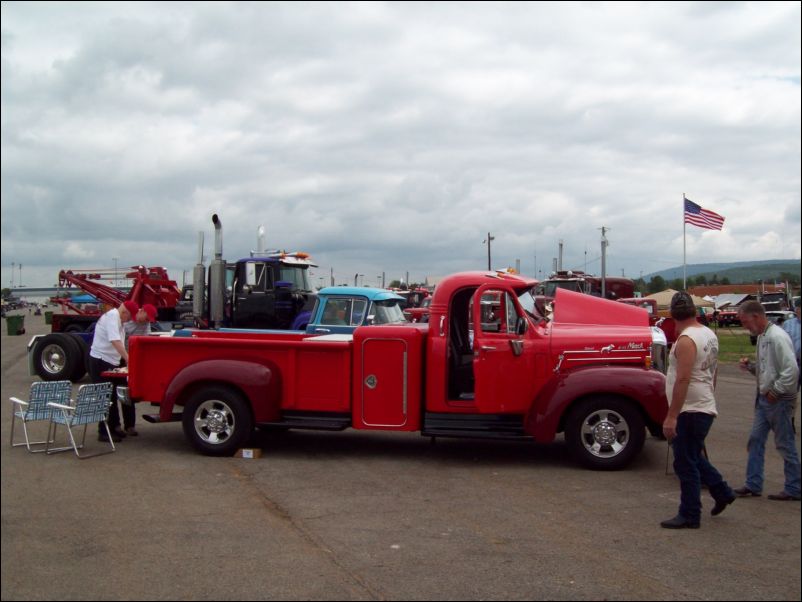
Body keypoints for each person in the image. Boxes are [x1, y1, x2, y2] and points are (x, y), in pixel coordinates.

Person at [661, 292, 736, 529]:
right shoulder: (708, 334)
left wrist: (672, 415)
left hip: (690, 409)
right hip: (701, 404)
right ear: (695, 311)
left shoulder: (686, 341)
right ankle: (722, 491)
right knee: (693, 456)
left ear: (672, 315)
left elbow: (683, 379)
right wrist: (710, 394)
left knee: (684, 463)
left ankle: (690, 513)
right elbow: (713, 371)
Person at [735, 300, 800, 501]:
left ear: (756, 316)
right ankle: (753, 483)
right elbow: (770, 369)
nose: (745, 326)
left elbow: (791, 370)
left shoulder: (777, 337)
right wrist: (752, 367)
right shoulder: (764, 336)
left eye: (745, 321)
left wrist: (776, 390)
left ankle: (794, 487)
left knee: (784, 443)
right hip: (765, 399)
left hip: (778, 400)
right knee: (755, 439)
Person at [88, 300, 137, 442]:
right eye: (128, 318)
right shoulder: (112, 317)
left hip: (112, 361)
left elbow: (120, 342)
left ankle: (115, 426)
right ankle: (103, 431)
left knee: (115, 395)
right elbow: (115, 341)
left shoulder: (119, 320)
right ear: (124, 312)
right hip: (100, 360)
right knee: (105, 397)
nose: (127, 321)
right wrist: (128, 359)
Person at [120, 303, 157, 436]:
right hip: (121, 356)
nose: (146, 322)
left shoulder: (145, 325)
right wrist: (125, 357)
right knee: (117, 390)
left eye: (149, 320)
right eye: (146, 318)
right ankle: (115, 425)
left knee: (129, 393)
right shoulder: (127, 320)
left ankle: (130, 425)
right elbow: (118, 339)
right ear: (140, 312)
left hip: (132, 358)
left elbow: (146, 340)